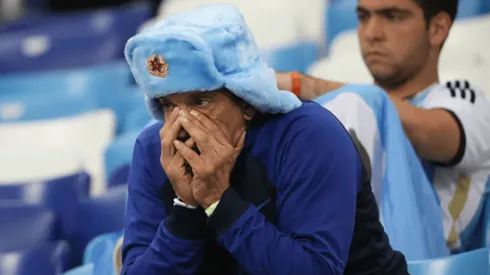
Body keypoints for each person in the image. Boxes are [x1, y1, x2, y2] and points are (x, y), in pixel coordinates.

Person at [121, 4, 408, 275]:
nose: (182, 124)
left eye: (201, 101)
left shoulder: (309, 135)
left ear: (248, 102)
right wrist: (186, 209)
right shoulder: (153, 152)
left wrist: (218, 200)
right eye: (168, 105)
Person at [277, 0, 490, 251]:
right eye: (364, 17)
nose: (371, 33)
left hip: (424, 261)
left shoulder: (463, 99)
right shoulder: (350, 107)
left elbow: (430, 131)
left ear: (437, 28)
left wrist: (303, 86)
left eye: (393, 16)